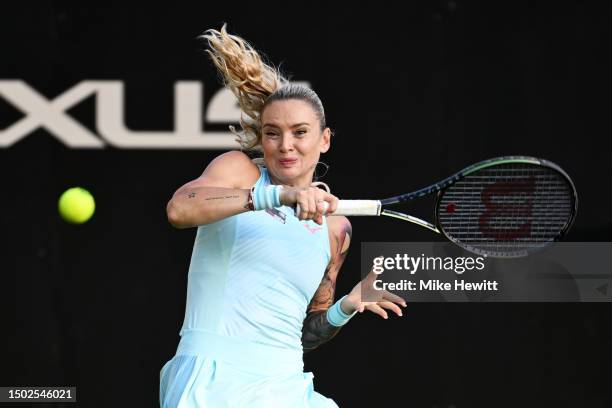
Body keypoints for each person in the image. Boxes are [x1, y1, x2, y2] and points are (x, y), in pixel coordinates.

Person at [159, 24, 407, 407]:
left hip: (286, 385)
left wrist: (346, 307)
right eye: (273, 133)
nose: (286, 145)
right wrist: (277, 195)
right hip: (214, 381)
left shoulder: (336, 228)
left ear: (323, 140)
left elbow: (306, 332)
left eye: (300, 132)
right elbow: (180, 208)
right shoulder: (239, 171)